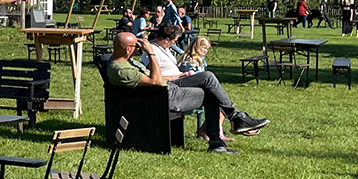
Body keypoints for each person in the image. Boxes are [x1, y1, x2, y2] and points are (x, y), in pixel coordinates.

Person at [105, 31, 268, 154]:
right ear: (128, 49)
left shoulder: (126, 61)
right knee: (210, 93)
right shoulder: (121, 70)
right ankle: (219, 140)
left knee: (207, 77)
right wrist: (150, 52)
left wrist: (179, 76)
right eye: (136, 46)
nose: (139, 48)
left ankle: (236, 118)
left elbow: (157, 77)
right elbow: (155, 81)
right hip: (163, 97)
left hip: (168, 86)